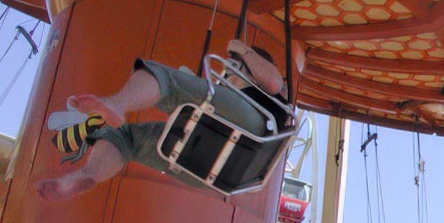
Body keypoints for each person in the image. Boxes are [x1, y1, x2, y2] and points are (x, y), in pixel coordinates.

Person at [35, 40, 286, 202]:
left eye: (233, 69)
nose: (227, 74)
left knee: (166, 78)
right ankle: (83, 175)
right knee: (126, 136)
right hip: (217, 171)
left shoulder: (271, 94)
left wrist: (242, 50)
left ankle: (117, 103)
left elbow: (273, 82)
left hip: (251, 128)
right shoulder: (226, 96)